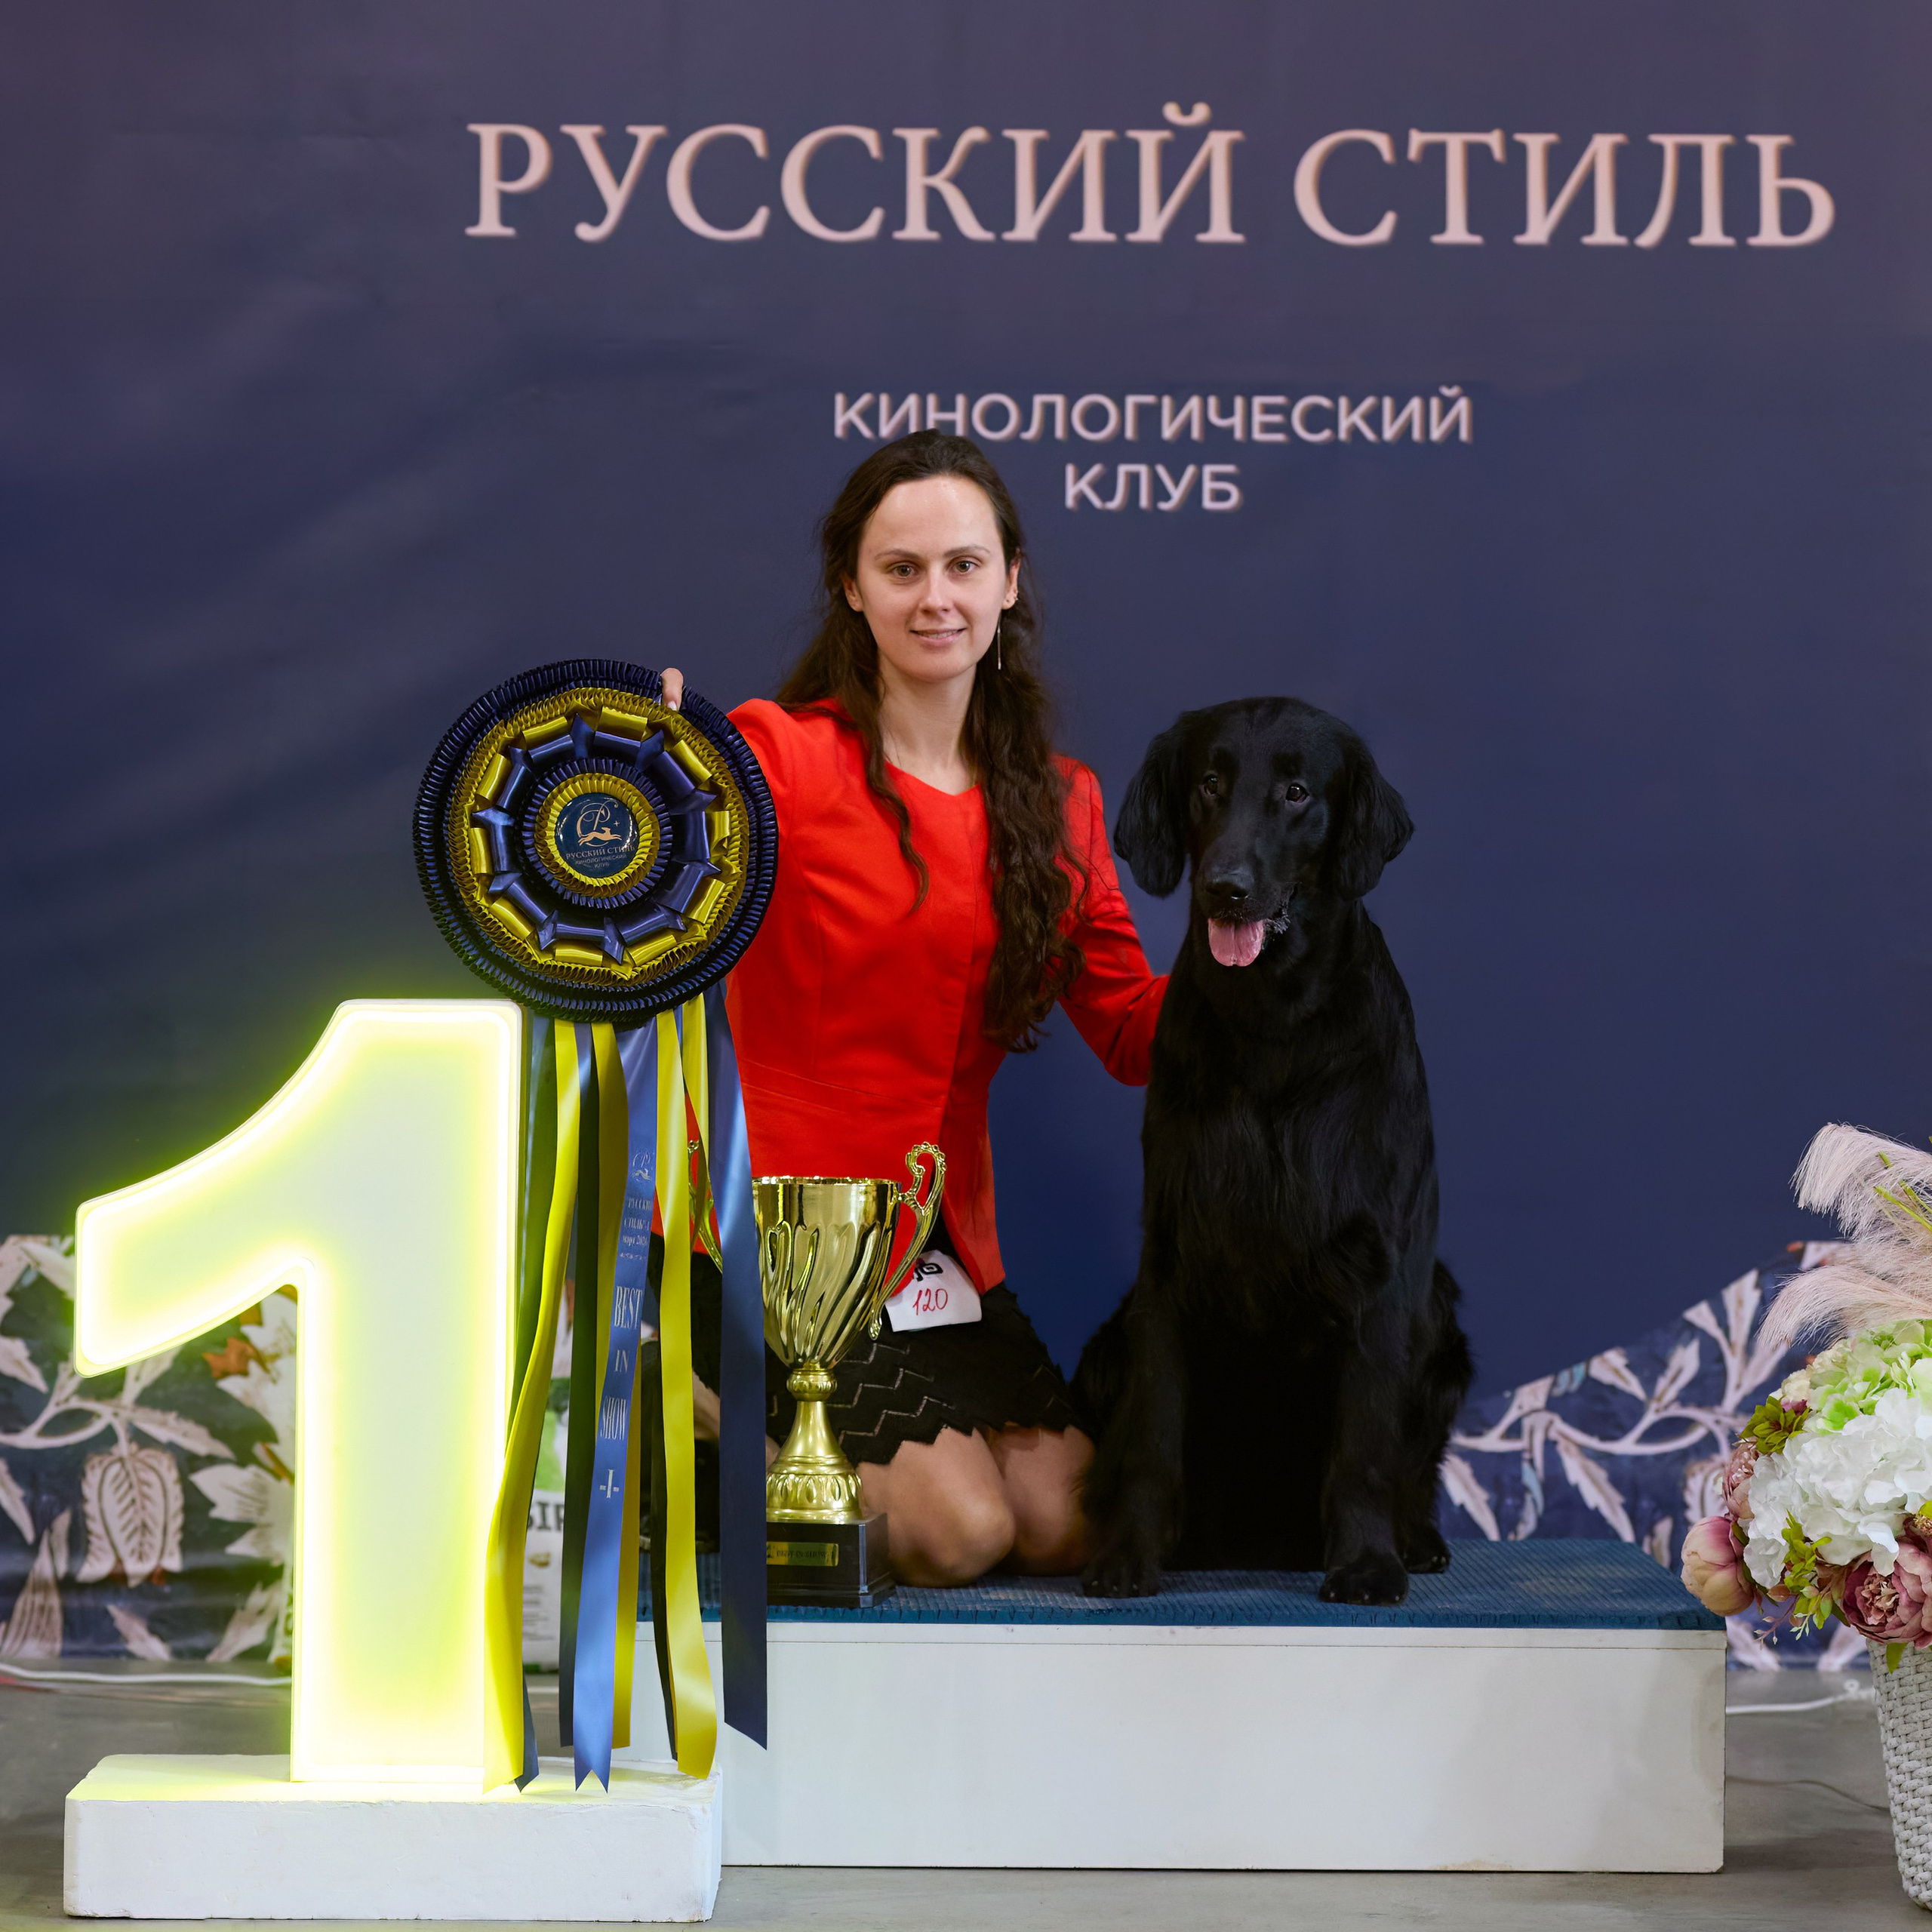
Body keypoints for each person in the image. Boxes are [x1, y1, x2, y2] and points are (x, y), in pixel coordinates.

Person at [663, 430, 1165, 1586]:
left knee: (1078, 1527)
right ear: (853, 585)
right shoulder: (773, 761)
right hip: (774, 1239)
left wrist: (1262, 953)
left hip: (943, 1255)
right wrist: (652, 763)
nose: (935, 597)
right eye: (902, 570)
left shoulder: (1063, 804)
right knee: (965, 1534)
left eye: (962, 566)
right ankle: (688, 1392)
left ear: (1010, 582)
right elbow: (652, 864)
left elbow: (1137, 1034)